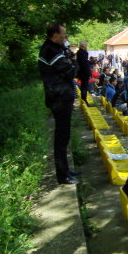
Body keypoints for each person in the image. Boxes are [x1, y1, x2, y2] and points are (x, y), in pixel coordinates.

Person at [38, 23, 81, 185]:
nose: (66, 36)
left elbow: (69, 69)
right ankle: (62, 175)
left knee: (65, 136)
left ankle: (66, 170)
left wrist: (71, 61)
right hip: (59, 99)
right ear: (55, 35)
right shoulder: (52, 51)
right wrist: (73, 61)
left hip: (62, 98)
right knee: (61, 138)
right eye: (64, 34)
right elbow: (72, 72)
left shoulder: (56, 49)